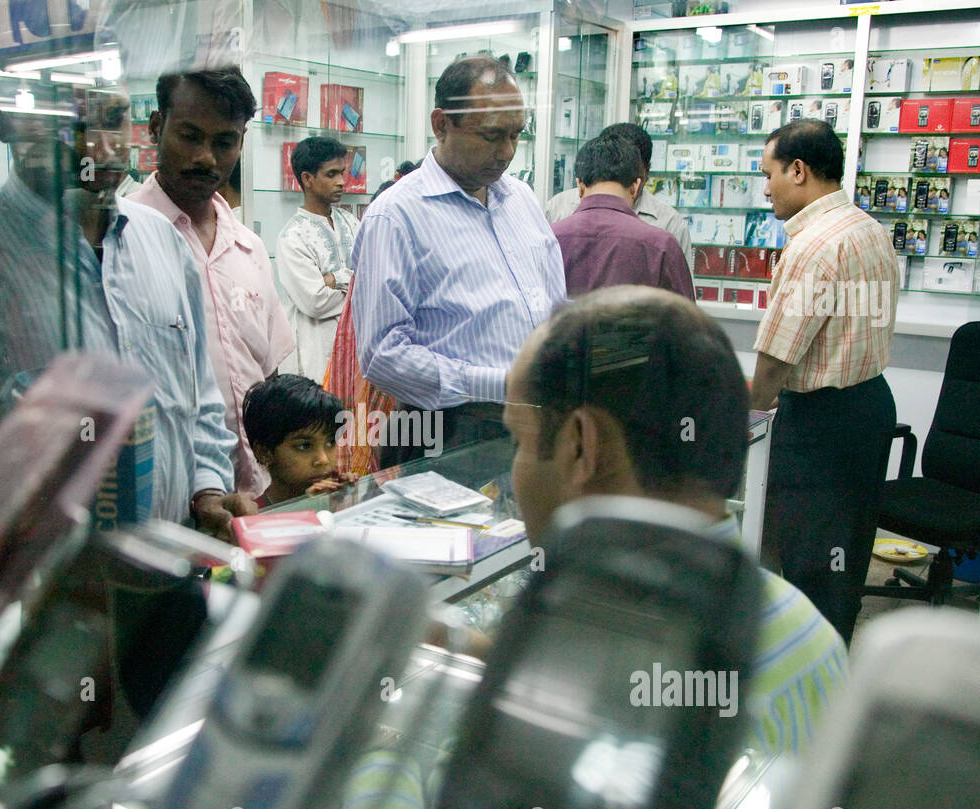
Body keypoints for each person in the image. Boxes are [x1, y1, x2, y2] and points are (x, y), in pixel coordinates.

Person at [0, 83, 250, 543]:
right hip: (39, 580)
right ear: (2, 119)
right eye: (71, 123)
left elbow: (198, 403)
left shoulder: (164, 242)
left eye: (113, 118)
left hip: (169, 554)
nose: (101, 145)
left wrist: (206, 491)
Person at [506, 285, 849, 755]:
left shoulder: (587, 675)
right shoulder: (813, 637)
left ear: (581, 446)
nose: (515, 470)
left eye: (518, 439)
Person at [351, 54, 565, 466]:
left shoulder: (520, 199)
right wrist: (499, 384)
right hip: (448, 430)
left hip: (536, 421)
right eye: (491, 136)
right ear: (440, 124)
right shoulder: (396, 215)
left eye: (516, 135)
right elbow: (383, 355)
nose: (507, 152)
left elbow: (554, 304)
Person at [750, 118, 898, 642]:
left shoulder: (814, 246)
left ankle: (805, 675)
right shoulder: (868, 229)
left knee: (808, 556)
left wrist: (742, 413)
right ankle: (835, 654)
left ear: (798, 170)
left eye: (769, 175)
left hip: (821, 422)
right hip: (871, 407)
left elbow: (775, 360)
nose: (765, 188)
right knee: (847, 553)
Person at [131, 67, 295, 501]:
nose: (206, 157)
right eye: (189, 135)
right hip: (167, 496)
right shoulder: (122, 242)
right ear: (155, 128)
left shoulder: (249, 246)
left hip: (255, 494)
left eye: (224, 142)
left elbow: (269, 376)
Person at [552, 135, 694, 299]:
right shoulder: (661, 246)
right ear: (635, 187)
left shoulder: (549, 237)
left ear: (580, 186)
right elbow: (685, 319)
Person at [275, 136, 359, 382]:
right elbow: (315, 302)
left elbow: (374, 280)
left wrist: (334, 279)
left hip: (358, 347)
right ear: (307, 179)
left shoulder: (352, 222)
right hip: (317, 351)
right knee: (325, 418)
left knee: (362, 418)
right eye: (331, 174)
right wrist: (354, 282)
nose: (342, 182)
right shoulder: (292, 237)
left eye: (342, 173)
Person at [241, 373, 350, 506]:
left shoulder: (335, 498)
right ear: (264, 453)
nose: (323, 460)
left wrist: (349, 500)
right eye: (304, 446)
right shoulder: (255, 521)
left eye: (330, 442)